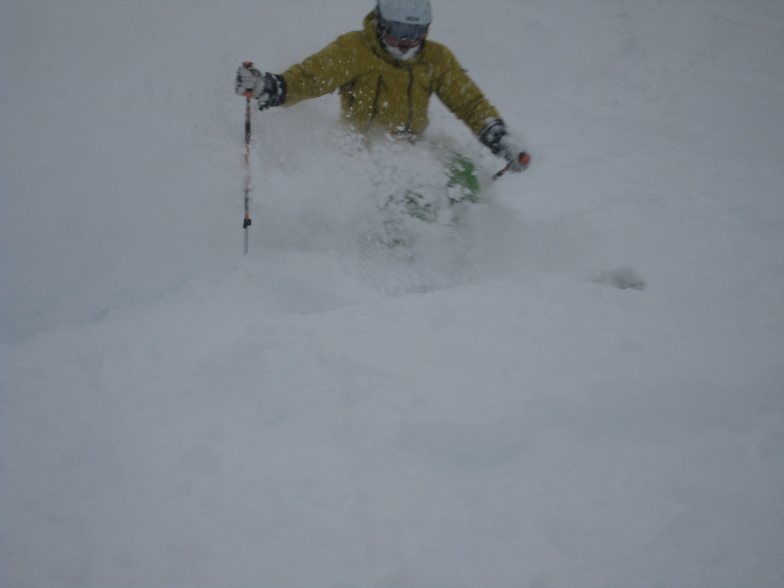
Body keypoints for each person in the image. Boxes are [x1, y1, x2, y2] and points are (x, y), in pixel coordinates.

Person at [235, 0, 529, 224]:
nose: (406, 41)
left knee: (464, 175)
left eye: (415, 32)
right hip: (363, 150)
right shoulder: (355, 49)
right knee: (407, 191)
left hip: (412, 147)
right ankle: (396, 263)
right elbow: (311, 78)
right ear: (380, 23)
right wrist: (271, 87)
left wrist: (499, 138)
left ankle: (464, 243)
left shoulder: (435, 58)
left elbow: (469, 102)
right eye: (399, 30)